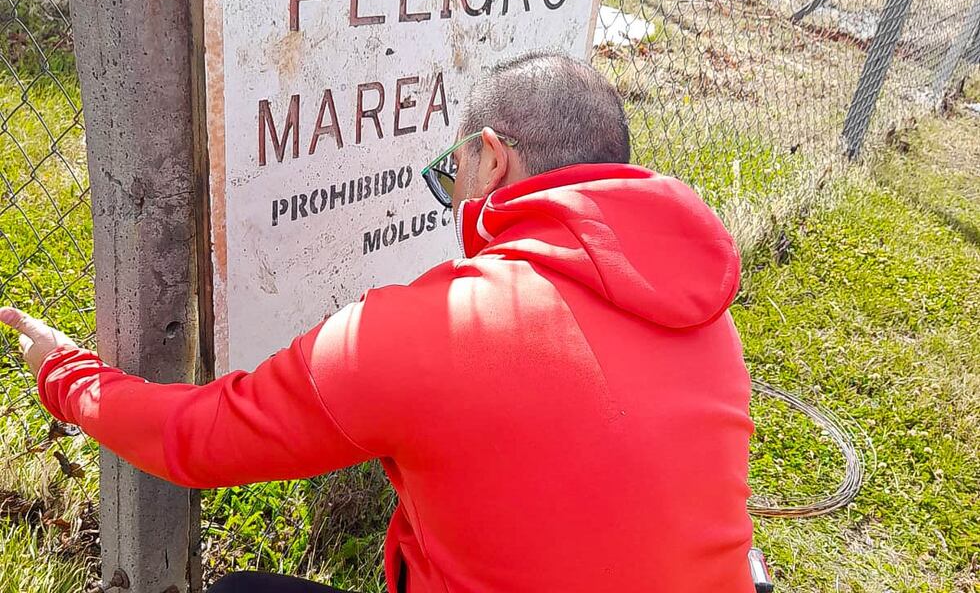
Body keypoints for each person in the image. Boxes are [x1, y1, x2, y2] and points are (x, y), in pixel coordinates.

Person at [1, 51, 756, 593]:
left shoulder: (438, 329)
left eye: (449, 171)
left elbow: (194, 439)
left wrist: (66, 375)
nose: (452, 194)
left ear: (490, 160)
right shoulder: (701, 314)